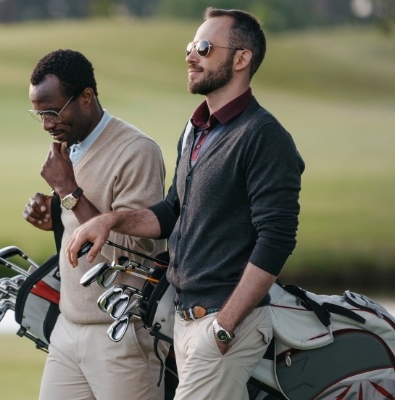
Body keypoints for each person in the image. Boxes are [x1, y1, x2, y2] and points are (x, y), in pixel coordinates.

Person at [66, 8, 305, 400]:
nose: (191, 56)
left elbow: (276, 239)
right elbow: (171, 212)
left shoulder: (264, 136)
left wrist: (226, 326)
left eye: (205, 47)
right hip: (186, 320)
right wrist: (109, 221)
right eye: (190, 47)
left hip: (228, 324)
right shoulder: (196, 129)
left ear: (241, 59)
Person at [23, 49, 168, 400]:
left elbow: (136, 252)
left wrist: (67, 191)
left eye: (53, 112)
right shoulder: (71, 144)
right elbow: (86, 223)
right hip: (68, 327)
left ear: (86, 97)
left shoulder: (137, 151)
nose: (46, 125)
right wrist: (57, 216)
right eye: (39, 114)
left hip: (121, 334)